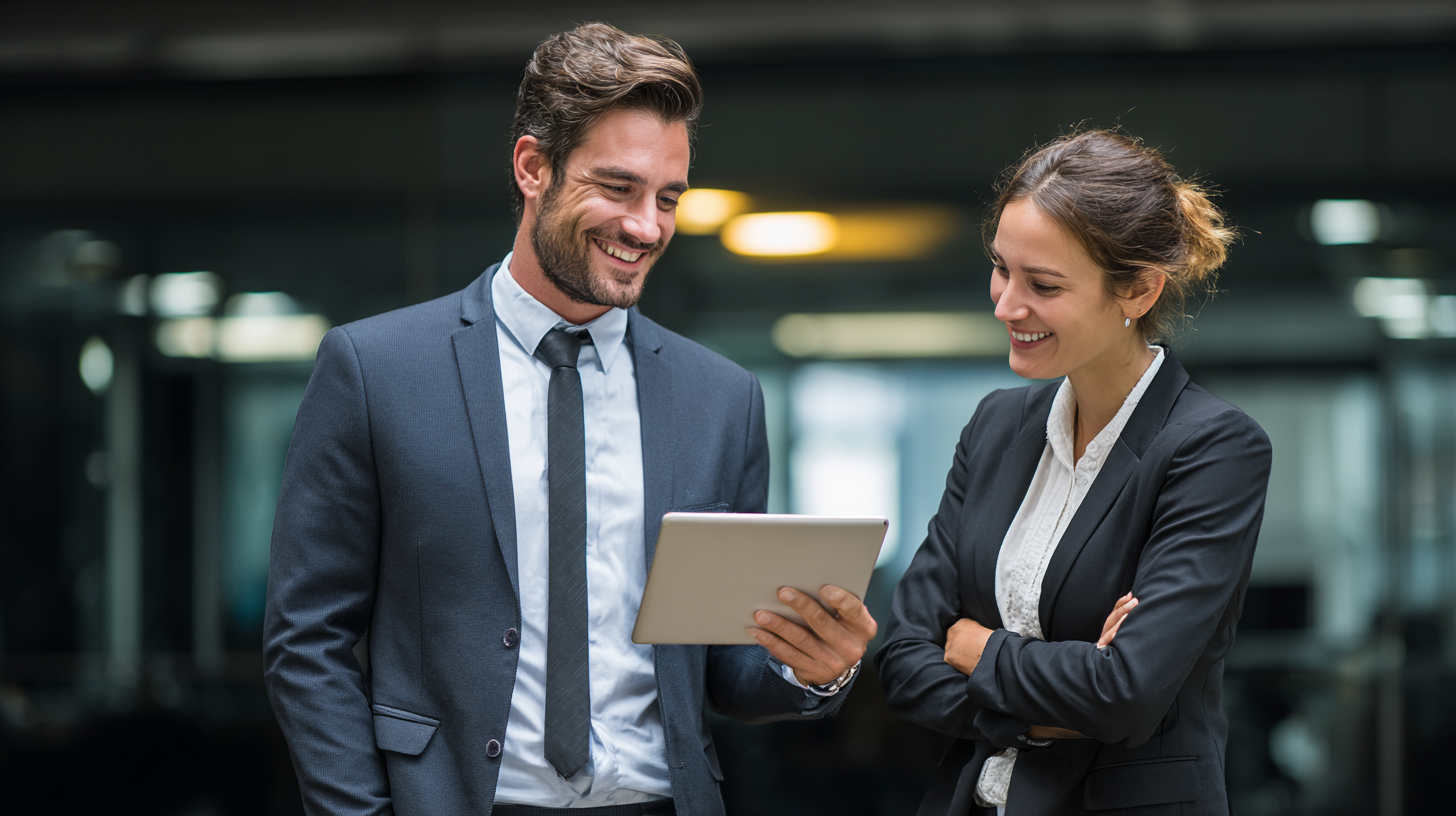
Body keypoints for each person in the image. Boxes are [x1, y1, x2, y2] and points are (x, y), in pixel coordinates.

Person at [263, 23, 875, 816]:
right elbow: (306, 639)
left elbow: (723, 666)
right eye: (618, 188)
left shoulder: (721, 399)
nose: (647, 227)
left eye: (668, 199)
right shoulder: (376, 371)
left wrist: (811, 664)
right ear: (533, 167)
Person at [875, 129, 1272, 815]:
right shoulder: (996, 426)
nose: (1006, 304)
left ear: (1138, 290)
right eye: (1001, 269)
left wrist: (977, 647)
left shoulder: (1213, 448)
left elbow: (1126, 692)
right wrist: (1049, 705)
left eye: (1043, 284)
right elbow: (905, 660)